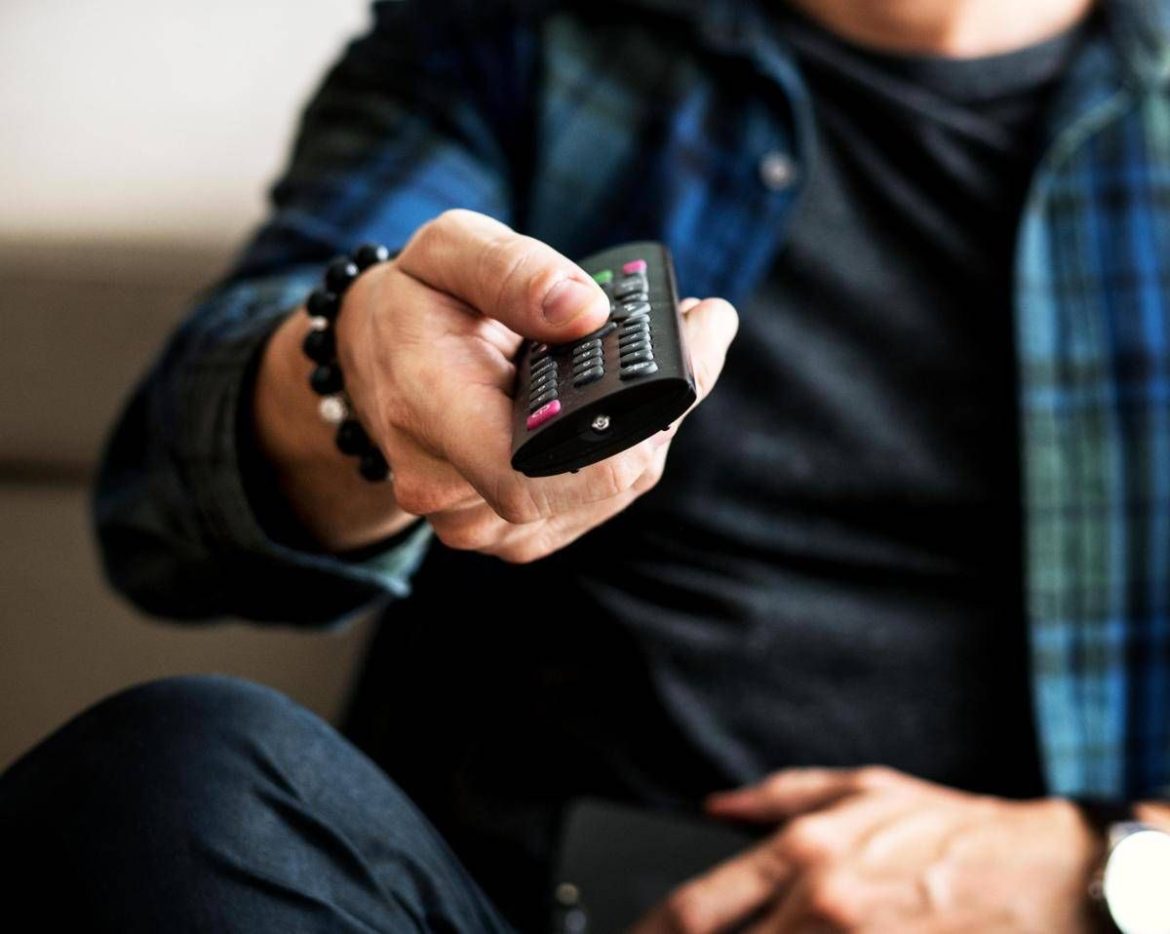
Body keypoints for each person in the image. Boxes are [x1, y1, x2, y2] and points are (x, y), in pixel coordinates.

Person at [3, 0, 1170, 930]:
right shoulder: (519, 37)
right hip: (489, 901)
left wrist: (1106, 870)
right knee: (170, 781)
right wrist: (357, 372)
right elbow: (167, 503)